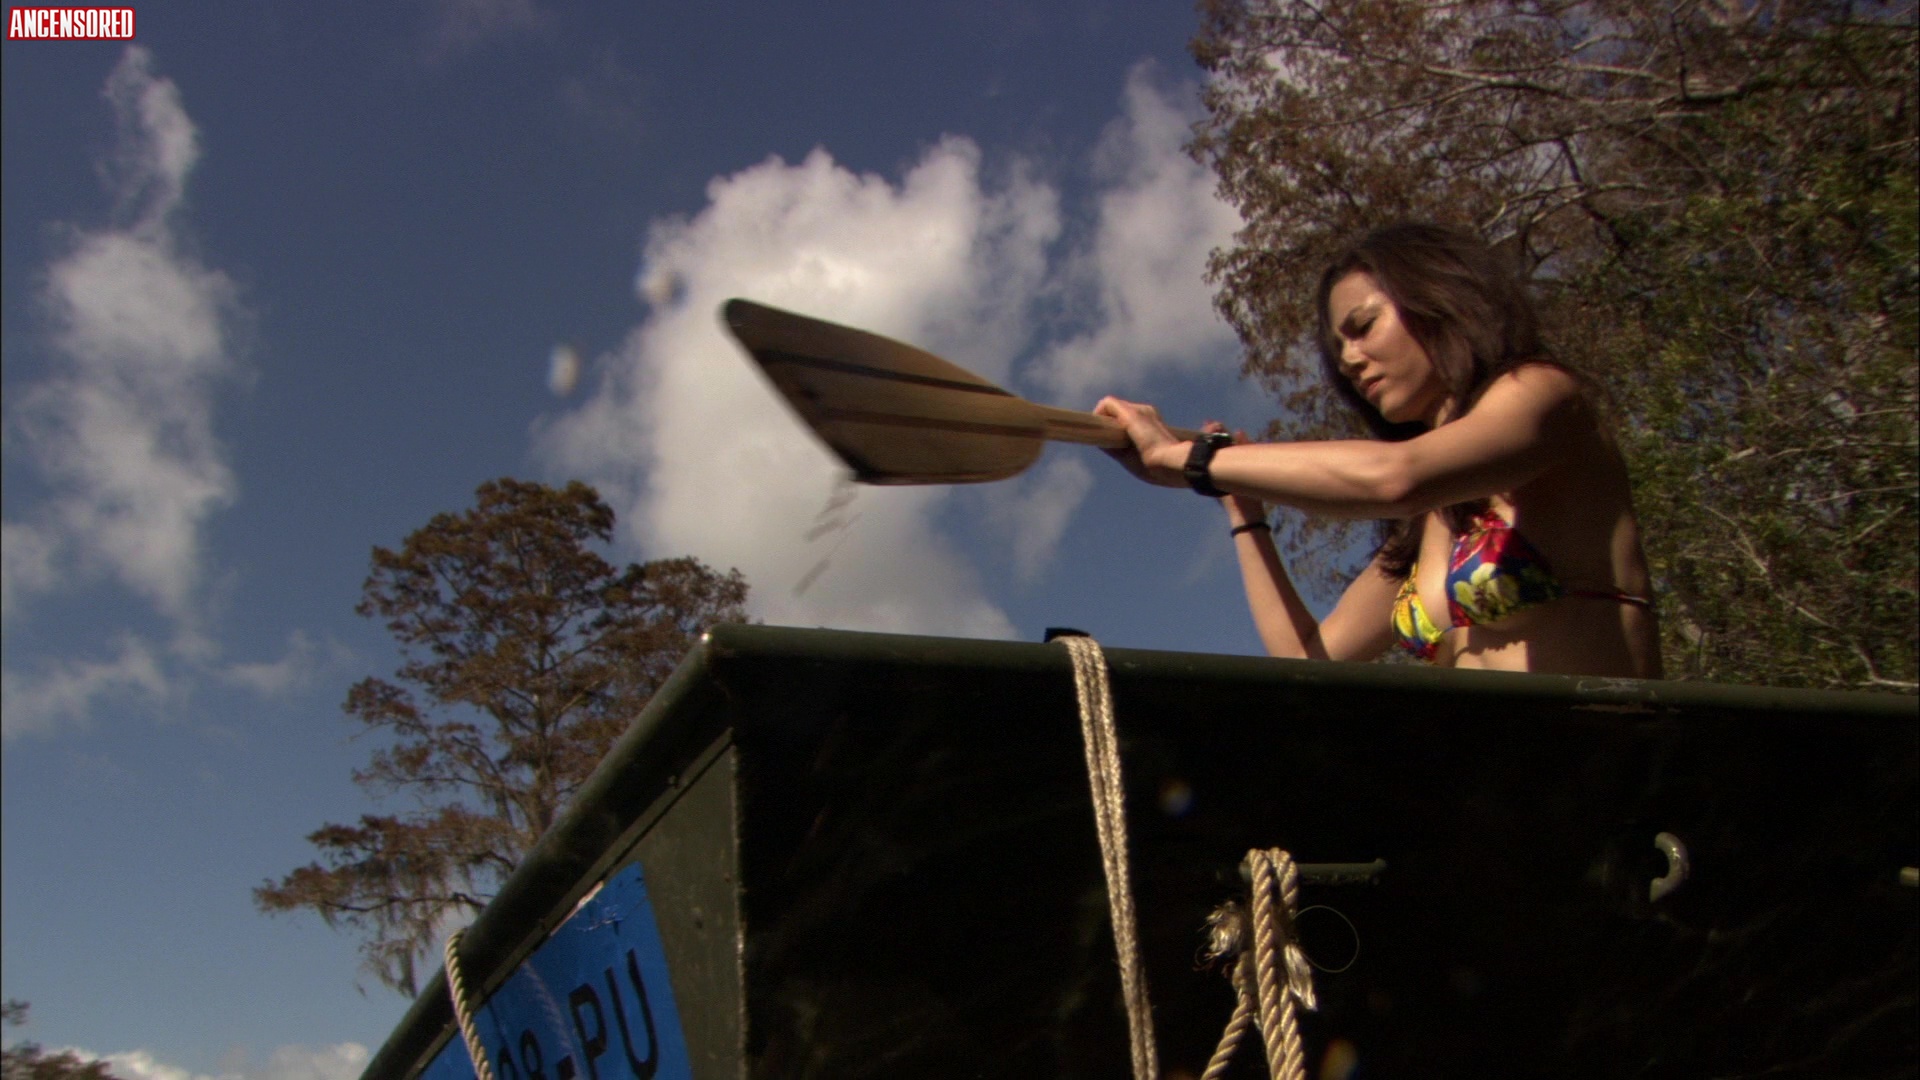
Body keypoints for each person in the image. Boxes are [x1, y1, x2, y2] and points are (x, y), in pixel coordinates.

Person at [1095, 222, 1661, 678]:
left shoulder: (1544, 393)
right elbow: (1307, 659)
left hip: (1603, 771)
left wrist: (1189, 461)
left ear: (1439, 298)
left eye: (1362, 326)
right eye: (1339, 347)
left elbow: (1396, 478)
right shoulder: (1428, 523)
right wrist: (1244, 511)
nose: (1348, 359)